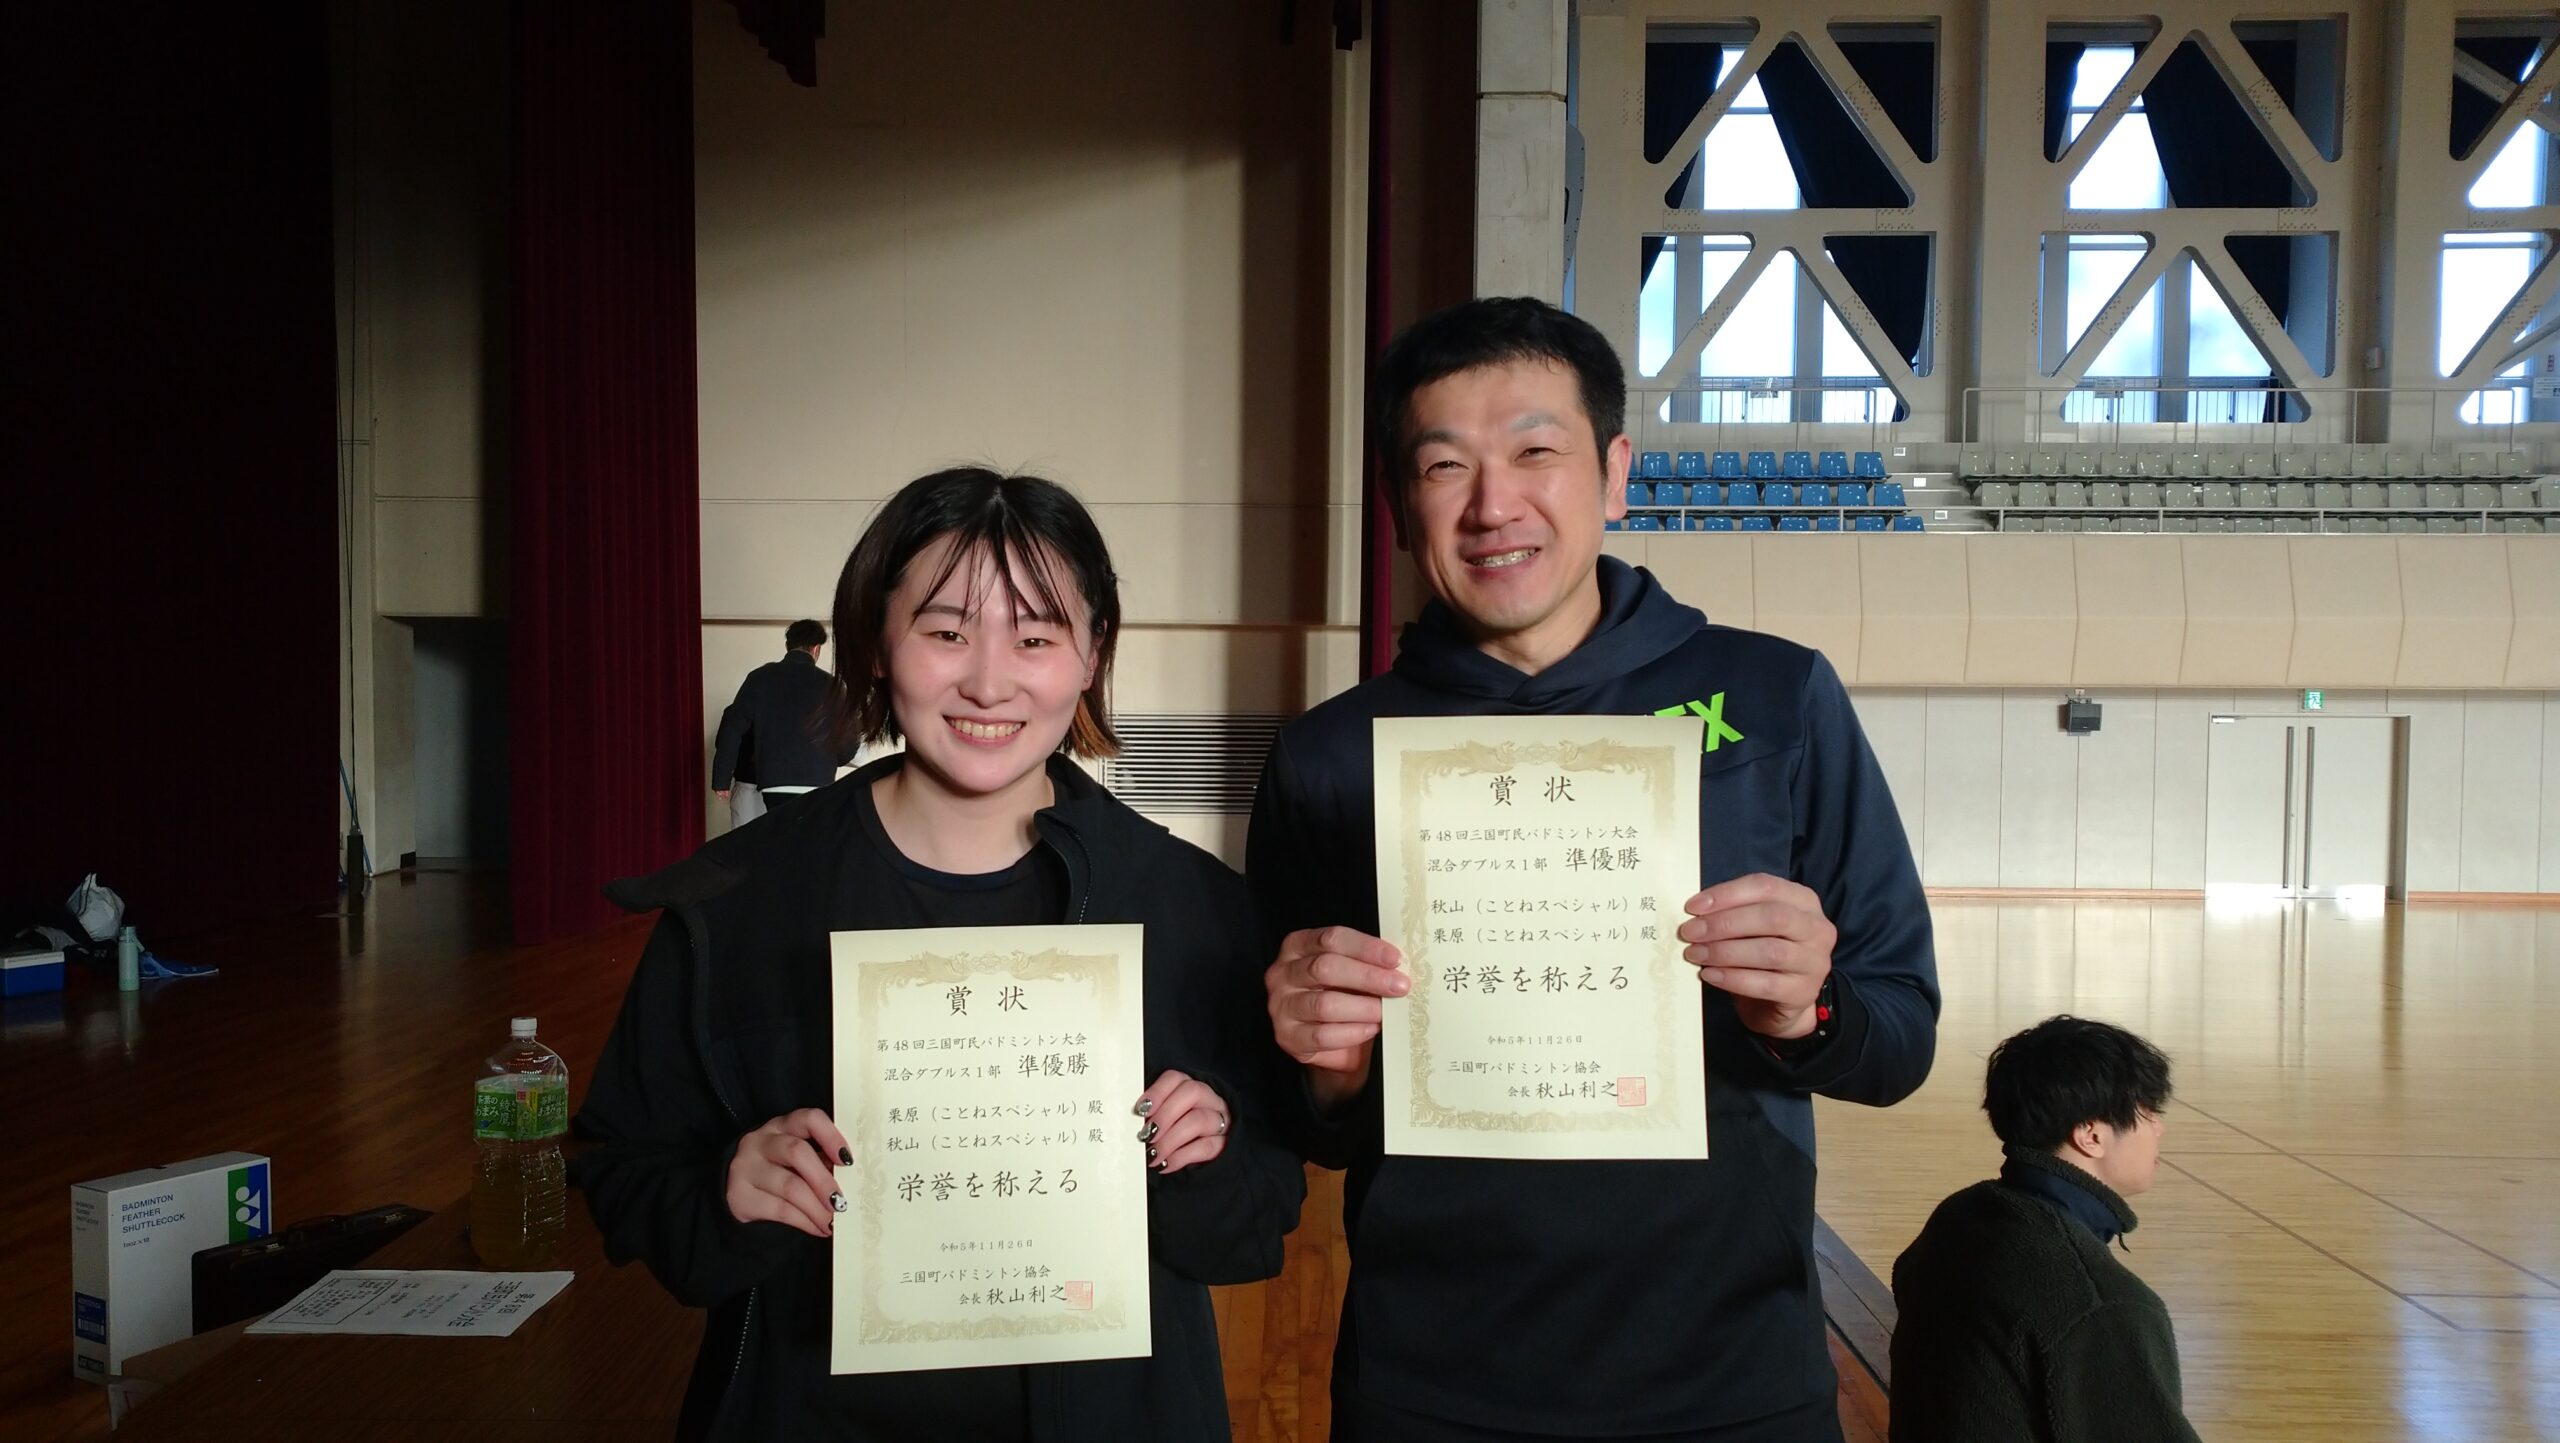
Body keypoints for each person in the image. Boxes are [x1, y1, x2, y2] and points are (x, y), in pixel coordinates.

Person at [1251, 296, 1940, 1441]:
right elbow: (1307, 1124)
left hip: (1730, 1377)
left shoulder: (1776, 699)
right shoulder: (1331, 755)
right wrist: (1321, 1071)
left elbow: (1898, 1038)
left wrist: (1805, 1010)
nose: (1492, 505)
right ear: (1401, 506)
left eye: (1535, 453)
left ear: (1615, 474)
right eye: (1443, 466)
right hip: (1430, 1383)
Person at [574, 468, 1305, 1442]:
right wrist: (726, 1189)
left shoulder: (1192, 906)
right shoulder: (739, 901)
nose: (989, 682)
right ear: (878, 644)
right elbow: (625, 1172)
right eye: (947, 631)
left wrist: (1207, 1157)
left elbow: (1258, 1222)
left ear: (1092, 654)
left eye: (1036, 637)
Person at [1888, 1016, 2200, 1443]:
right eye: (2148, 1113)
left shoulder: (1960, 1216)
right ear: (2091, 1136)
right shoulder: (2103, 1305)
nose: (2160, 1128)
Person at [712, 617, 854, 824]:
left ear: (788, 645)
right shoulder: (832, 685)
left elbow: (732, 728)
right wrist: (837, 758)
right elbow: (848, 740)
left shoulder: (760, 678)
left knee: (776, 835)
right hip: (818, 781)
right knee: (808, 840)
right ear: (816, 649)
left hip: (774, 782)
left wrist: (721, 779)